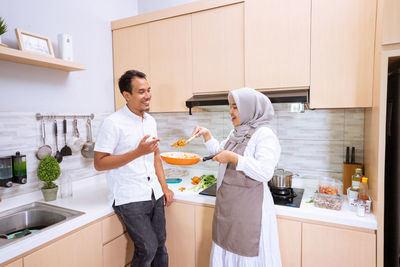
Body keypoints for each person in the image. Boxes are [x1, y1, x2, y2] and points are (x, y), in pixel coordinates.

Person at [192, 87, 282, 267]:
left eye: (235, 107)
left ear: (250, 109)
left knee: (246, 253)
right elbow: (220, 152)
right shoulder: (237, 133)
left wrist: (233, 158)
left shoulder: (264, 134)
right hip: (228, 208)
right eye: (230, 106)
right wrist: (207, 135)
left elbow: (265, 171)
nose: (230, 111)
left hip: (249, 211)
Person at [94, 70, 174, 267]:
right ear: (126, 95)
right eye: (141, 91)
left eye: (148, 90)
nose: (147, 96)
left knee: (160, 246)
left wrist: (164, 187)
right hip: (129, 196)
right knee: (148, 247)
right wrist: (137, 152)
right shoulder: (112, 123)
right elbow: (99, 162)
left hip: (153, 193)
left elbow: (155, 156)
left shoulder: (150, 121)